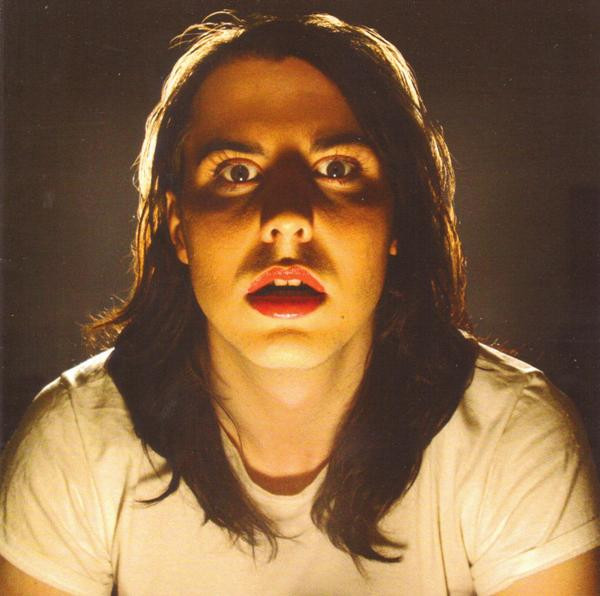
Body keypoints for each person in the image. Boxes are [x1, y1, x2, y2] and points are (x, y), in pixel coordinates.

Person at [1, 11, 598, 595]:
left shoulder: (511, 434)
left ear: (396, 217)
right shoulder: (75, 441)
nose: (287, 218)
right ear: (178, 229)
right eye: (237, 172)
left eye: (337, 168)